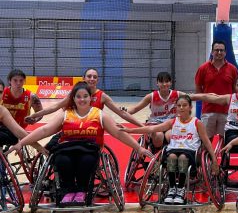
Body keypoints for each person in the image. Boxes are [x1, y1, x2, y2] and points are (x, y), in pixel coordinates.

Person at [7, 82, 153, 206]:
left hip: (89, 151)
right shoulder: (66, 114)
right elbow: (45, 130)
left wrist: (138, 148)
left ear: (91, 98)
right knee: (61, 160)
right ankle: (68, 191)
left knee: (86, 161)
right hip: (67, 149)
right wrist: (22, 143)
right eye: (78, 96)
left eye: (85, 96)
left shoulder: (99, 114)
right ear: (73, 99)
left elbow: (118, 133)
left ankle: (82, 191)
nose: (82, 99)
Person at [120, 95, 218, 205]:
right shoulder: (173, 122)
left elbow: (207, 142)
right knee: (171, 157)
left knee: (182, 157)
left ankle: (180, 189)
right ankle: (172, 188)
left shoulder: (197, 123)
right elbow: (151, 128)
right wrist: (130, 130)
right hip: (173, 150)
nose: (181, 108)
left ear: (190, 107)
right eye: (179, 105)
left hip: (190, 152)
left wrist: (214, 160)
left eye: (184, 105)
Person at [26, 68, 143, 127]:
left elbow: (121, 113)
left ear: (97, 80)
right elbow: (55, 107)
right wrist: (35, 115)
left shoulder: (102, 96)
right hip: (73, 127)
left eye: (95, 77)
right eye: (89, 76)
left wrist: (143, 127)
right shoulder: (74, 94)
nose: (92, 79)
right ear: (84, 78)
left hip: (92, 131)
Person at [124, 72, 186, 149]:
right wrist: (123, 112)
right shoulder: (151, 96)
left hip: (170, 124)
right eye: (161, 82)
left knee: (171, 136)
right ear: (157, 83)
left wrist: (202, 97)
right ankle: (154, 150)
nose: (164, 84)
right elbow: (135, 109)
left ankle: (169, 155)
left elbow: (191, 97)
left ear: (170, 83)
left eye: (167, 81)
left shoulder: (177, 94)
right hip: (155, 124)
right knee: (159, 136)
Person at [195, 40, 238, 138]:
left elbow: (236, 90)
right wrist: (205, 101)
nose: (219, 52)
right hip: (208, 111)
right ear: (212, 52)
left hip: (227, 112)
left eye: (221, 50)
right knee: (206, 140)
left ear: (225, 52)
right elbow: (198, 88)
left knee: (224, 140)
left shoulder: (232, 69)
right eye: (216, 50)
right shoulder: (203, 68)